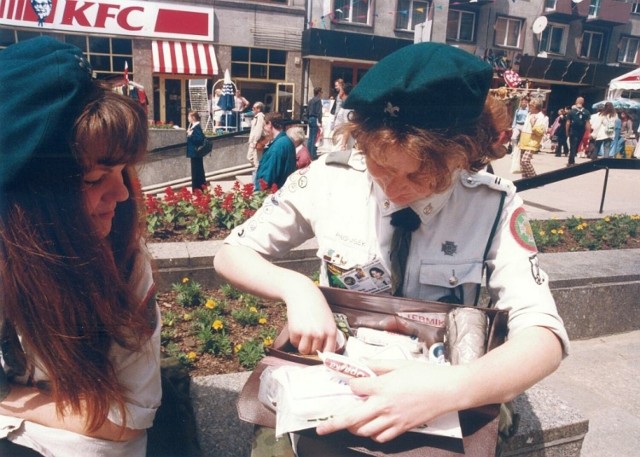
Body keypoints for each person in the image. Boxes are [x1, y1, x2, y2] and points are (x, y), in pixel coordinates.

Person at [214, 42, 568, 454]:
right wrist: (298, 289)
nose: (395, 189)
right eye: (380, 166)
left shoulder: (493, 204)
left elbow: (544, 336)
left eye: (420, 176)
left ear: (463, 155)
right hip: (332, 377)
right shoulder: (330, 180)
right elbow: (231, 253)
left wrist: (451, 388)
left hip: (442, 386)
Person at [0, 37, 161, 456]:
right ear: (27, 201)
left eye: (124, 172)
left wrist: (9, 397)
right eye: (93, 179)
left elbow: (127, 416)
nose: (123, 194)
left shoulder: (124, 260)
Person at [253, 112, 296, 191]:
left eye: (264, 126)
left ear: (269, 124)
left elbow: (268, 177)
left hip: (274, 195)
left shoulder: (277, 147)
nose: (264, 130)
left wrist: (258, 193)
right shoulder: (287, 141)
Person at [518, 98, 548, 178]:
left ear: (536, 107)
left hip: (532, 141)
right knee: (522, 163)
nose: (529, 107)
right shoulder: (529, 114)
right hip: (524, 140)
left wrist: (533, 124)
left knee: (525, 161)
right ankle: (525, 180)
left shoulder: (542, 117)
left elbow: (540, 131)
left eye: (531, 105)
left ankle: (534, 178)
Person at [186, 110, 207, 191]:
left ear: (193, 118)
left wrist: (190, 135)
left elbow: (199, 139)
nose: (188, 118)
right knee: (196, 171)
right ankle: (198, 188)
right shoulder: (194, 126)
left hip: (196, 153)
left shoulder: (196, 127)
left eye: (189, 116)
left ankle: (198, 189)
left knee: (197, 172)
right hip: (194, 153)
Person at [566, 97, 591, 166]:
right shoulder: (586, 112)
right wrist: (588, 132)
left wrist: (567, 131)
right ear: (583, 102)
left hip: (573, 130)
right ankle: (571, 160)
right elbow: (587, 123)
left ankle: (571, 161)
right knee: (577, 145)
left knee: (572, 145)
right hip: (581, 131)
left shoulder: (571, 112)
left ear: (576, 102)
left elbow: (568, 122)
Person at [509, 98, 528, 174]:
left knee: (522, 140)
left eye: (525, 102)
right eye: (522, 102)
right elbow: (515, 118)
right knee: (513, 138)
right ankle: (514, 151)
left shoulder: (528, 111)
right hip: (518, 125)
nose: (523, 103)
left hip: (524, 125)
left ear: (526, 103)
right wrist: (513, 126)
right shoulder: (517, 110)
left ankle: (521, 152)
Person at [247, 102, 266, 167]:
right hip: (253, 142)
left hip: (256, 142)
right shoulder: (256, 117)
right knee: (250, 158)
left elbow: (259, 129)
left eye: (254, 108)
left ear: (259, 109)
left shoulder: (260, 116)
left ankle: (257, 173)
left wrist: (255, 141)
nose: (252, 109)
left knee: (256, 160)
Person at [307, 87, 323, 160]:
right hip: (315, 118)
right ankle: (313, 154)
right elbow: (319, 112)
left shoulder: (310, 100)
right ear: (319, 92)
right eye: (321, 92)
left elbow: (307, 111)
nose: (321, 93)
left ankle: (308, 152)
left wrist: (307, 118)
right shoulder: (318, 100)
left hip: (310, 118)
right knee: (314, 137)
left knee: (310, 137)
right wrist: (320, 121)